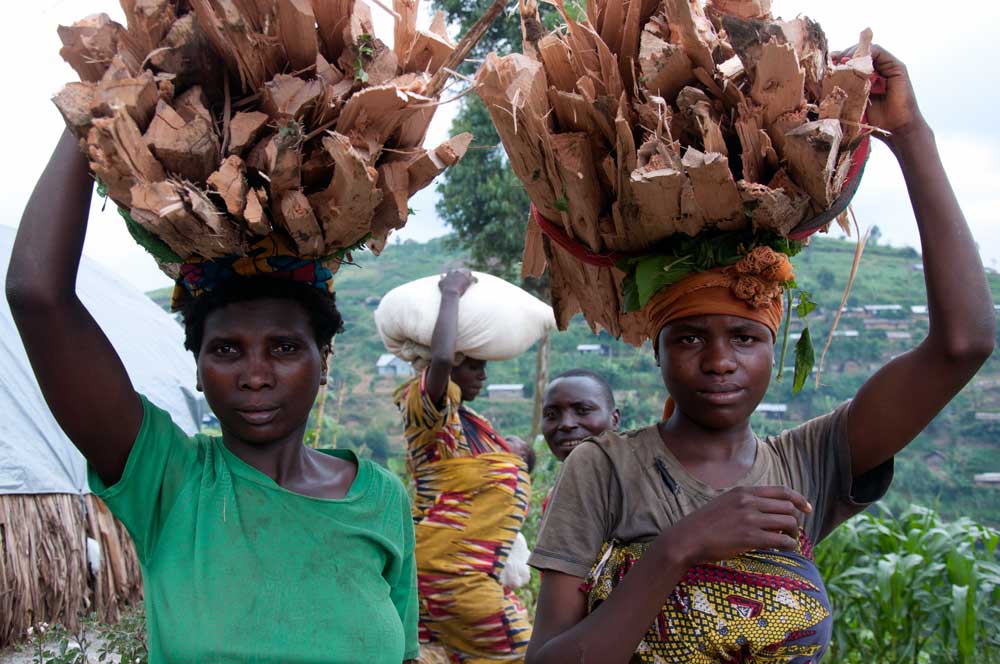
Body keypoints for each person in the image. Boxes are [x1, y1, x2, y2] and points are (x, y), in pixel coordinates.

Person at [524, 46, 996, 664]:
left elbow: (963, 345)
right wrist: (679, 548)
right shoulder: (605, 470)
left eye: (745, 339)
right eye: (690, 338)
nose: (720, 361)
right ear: (656, 353)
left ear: (774, 349)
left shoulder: (813, 464)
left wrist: (909, 134)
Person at [6, 129, 419, 663]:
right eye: (225, 349)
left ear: (324, 362)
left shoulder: (381, 498)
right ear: (198, 370)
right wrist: (93, 116)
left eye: (285, 347)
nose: (255, 374)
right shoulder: (170, 480)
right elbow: (37, 295)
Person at [395, 269, 532, 663]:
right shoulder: (426, 415)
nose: (484, 376)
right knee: (526, 654)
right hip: (451, 576)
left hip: (458, 575)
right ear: (452, 364)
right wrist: (450, 293)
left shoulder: (470, 426)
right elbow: (438, 358)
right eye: (473, 365)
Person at [541, 369, 621, 462]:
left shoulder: (638, 473)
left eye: (583, 410)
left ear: (615, 419)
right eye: (551, 414)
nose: (566, 424)